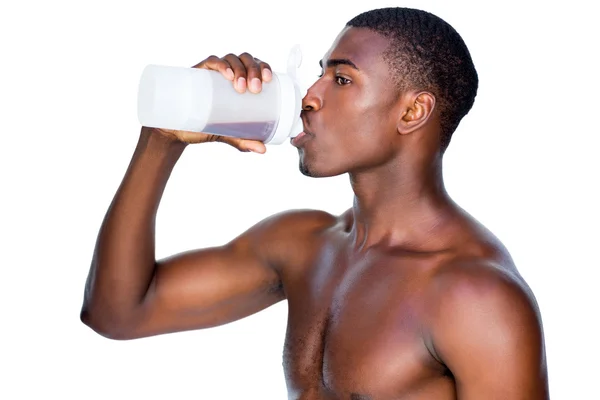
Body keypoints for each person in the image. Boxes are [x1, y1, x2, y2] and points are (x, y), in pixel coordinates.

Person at [81, 7, 549, 399]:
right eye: (320, 74)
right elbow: (117, 313)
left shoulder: (476, 296)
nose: (309, 96)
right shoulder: (304, 245)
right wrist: (163, 138)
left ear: (412, 111)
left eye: (342, 80)